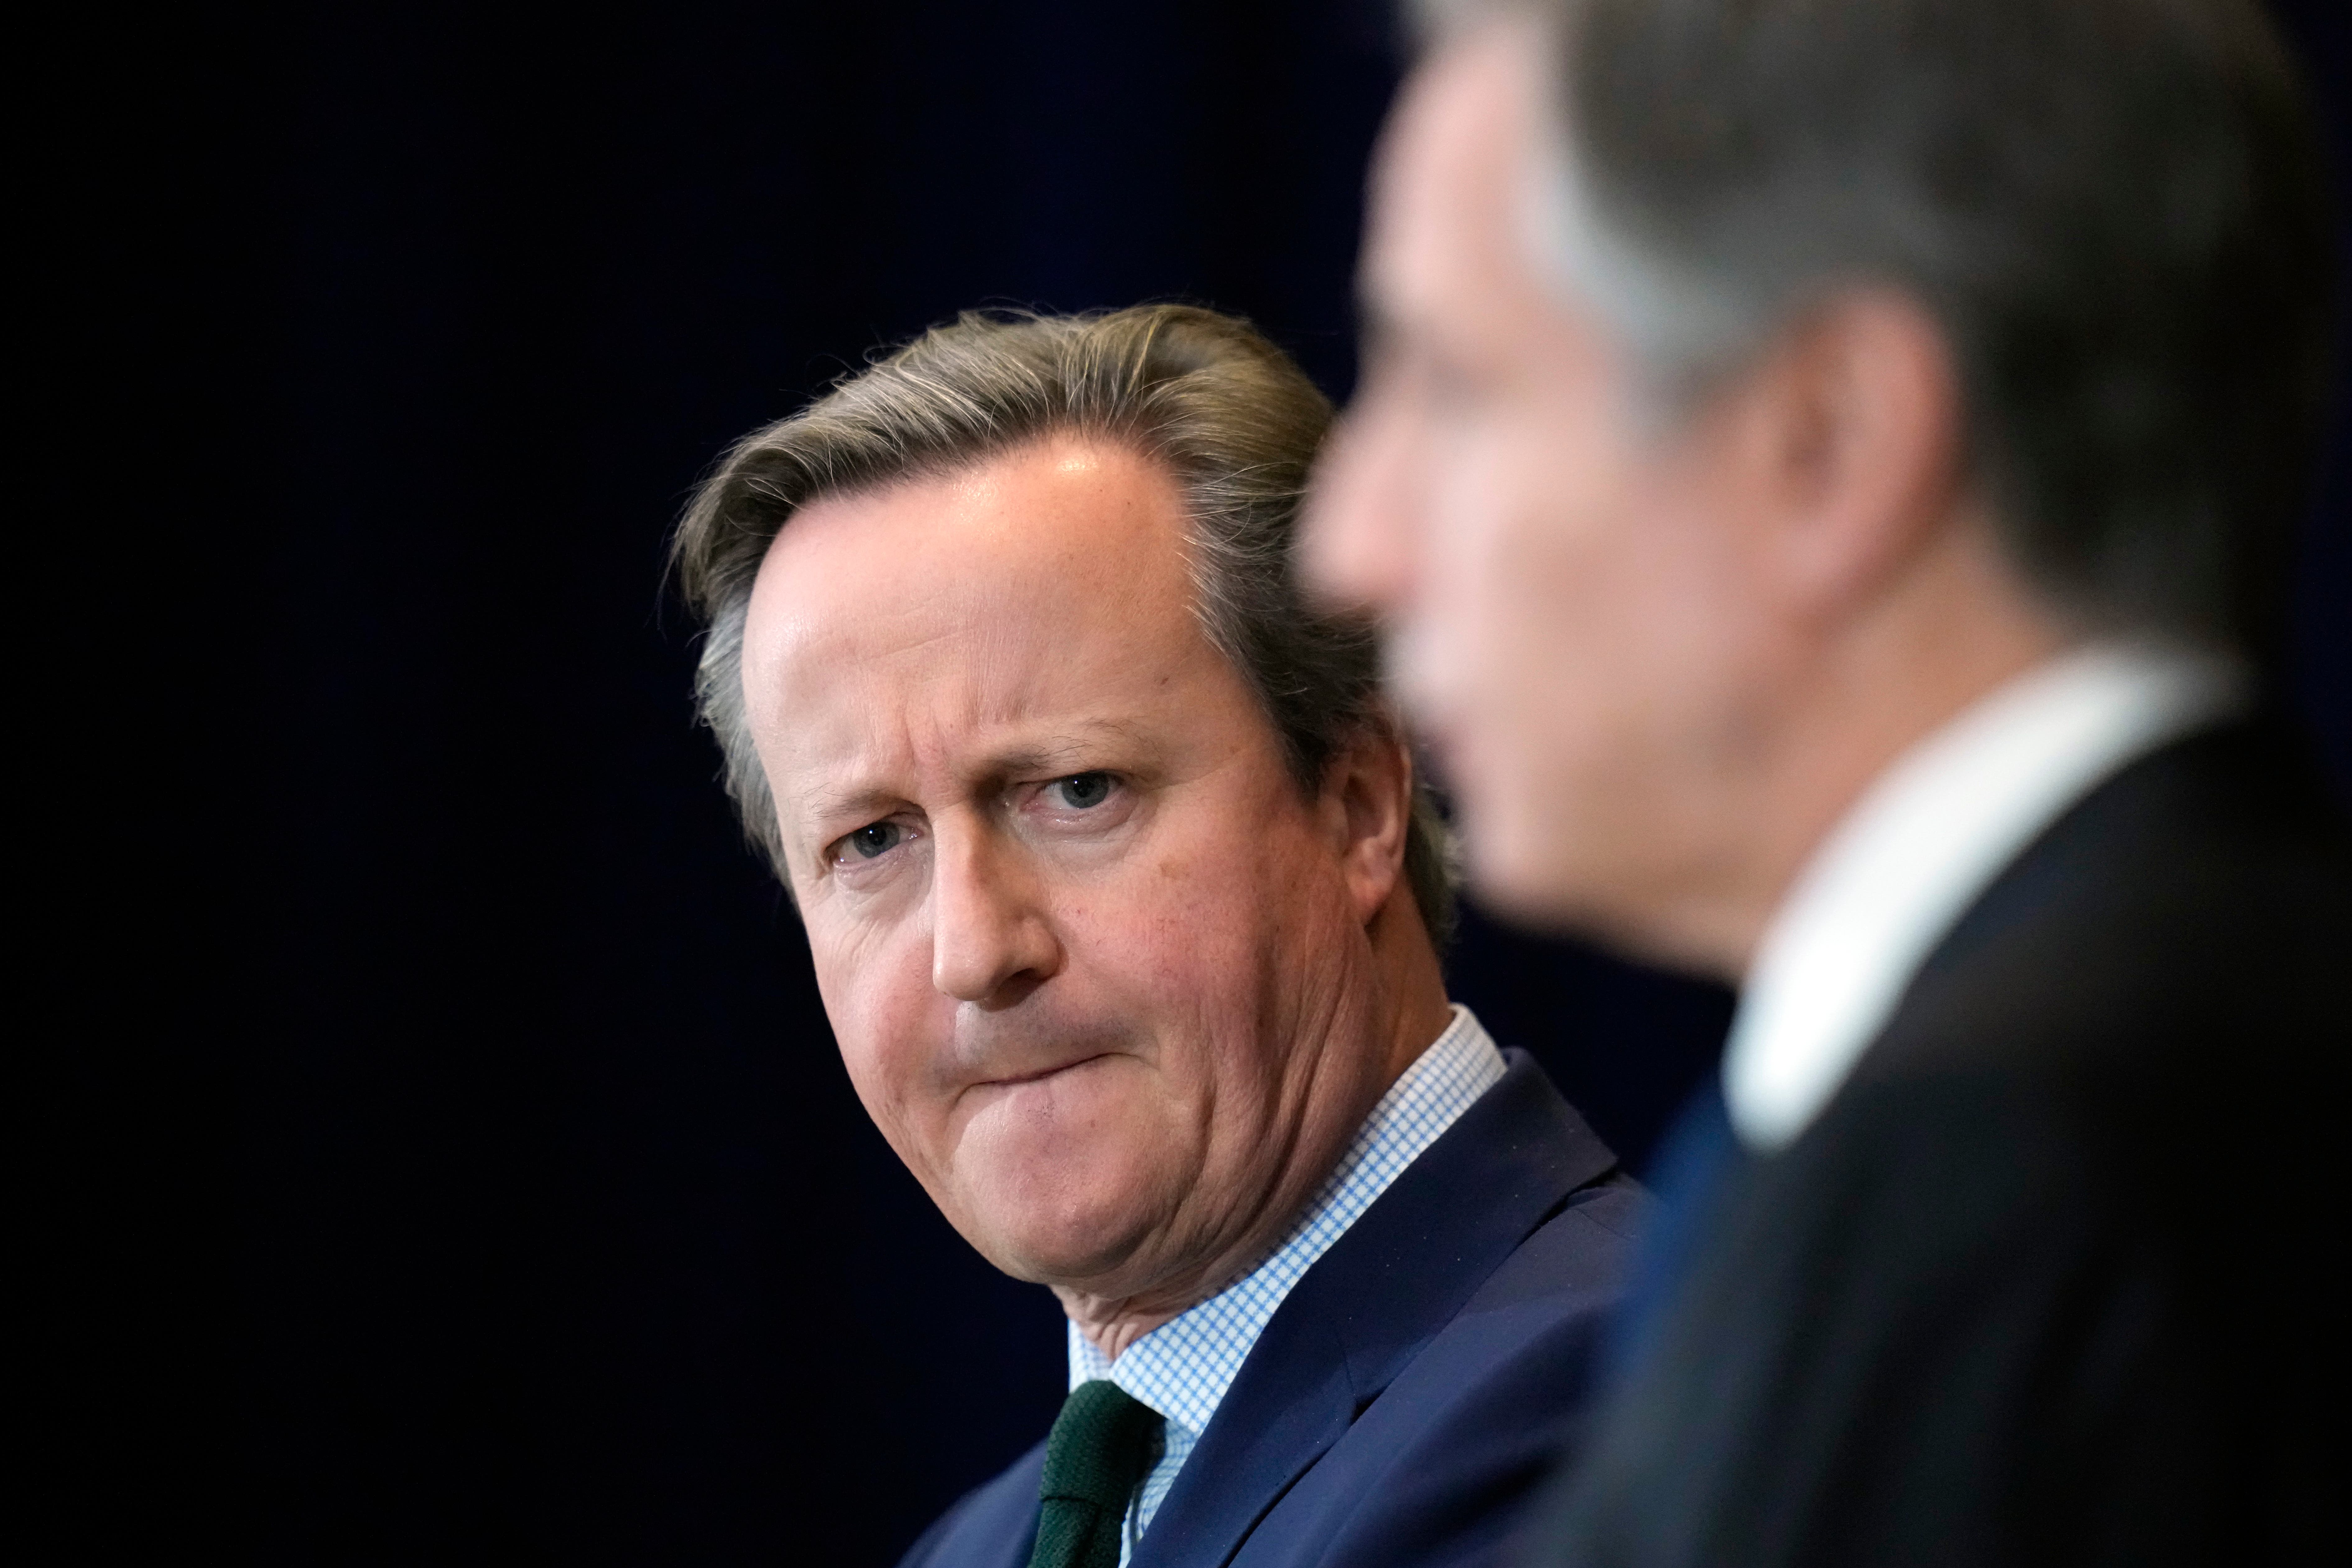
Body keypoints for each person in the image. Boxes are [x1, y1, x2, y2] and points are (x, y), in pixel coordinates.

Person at [1304, 0, 2346, 1562]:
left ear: (1831, 441)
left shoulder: (1997, 1193)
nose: (1349, 543)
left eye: (1453, 386)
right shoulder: (2136, 1077)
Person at [670, 304, 1647, 1568]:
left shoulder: (1618, 1398)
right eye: (871, 842)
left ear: (1357, 804)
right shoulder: (971, 1551)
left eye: (1077, 791)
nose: (974, 950)